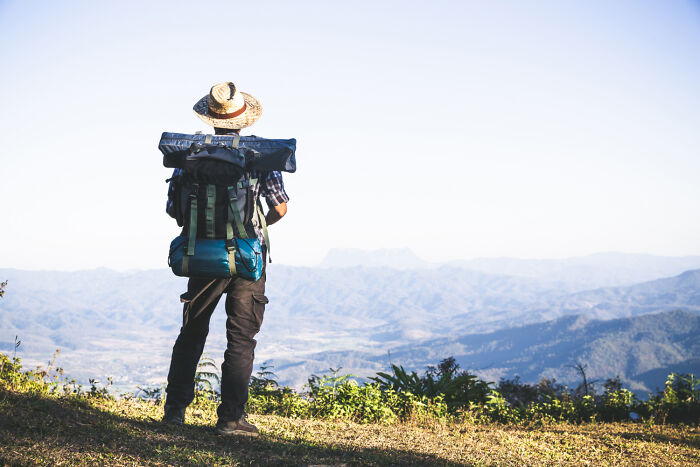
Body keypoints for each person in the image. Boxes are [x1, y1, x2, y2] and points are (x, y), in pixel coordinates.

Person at [162, 82, 288, 437]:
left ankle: (175, 412)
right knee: (241, 337)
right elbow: (279, 207)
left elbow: (175, 211)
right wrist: (256, 225)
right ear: (243, 120)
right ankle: (231, 419)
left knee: (192, 331)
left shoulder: (188, 159)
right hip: (249, 257)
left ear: (211, 119)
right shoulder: (259, 158)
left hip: (201, 256)